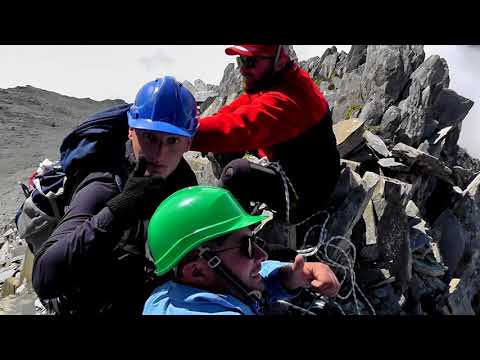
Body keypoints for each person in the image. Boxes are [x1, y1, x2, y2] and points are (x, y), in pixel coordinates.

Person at [32, 76, 199, 315]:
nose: (160, 153)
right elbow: (44, 277)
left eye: (172, 140)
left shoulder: (182, 178)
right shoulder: (103, 184)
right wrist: (120, 209)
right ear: (131, 131)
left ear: (188, 143)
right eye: (149, 137)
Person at [191, 45, 341, 254]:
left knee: (237, 173)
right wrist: (196, 124)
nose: (243, 69)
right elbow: (241, 107)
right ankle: (238, 212)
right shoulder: (277, 78)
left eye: (250, 61)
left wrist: (180, 134)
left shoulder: (291, 99)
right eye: (240, 61)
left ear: (279, 59)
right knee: (224, 149)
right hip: (297, 169)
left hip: (304, 194)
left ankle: (230, 250)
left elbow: (240, 128)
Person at [143, 185, 340, 315]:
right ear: (197, 270)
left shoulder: (165, 296)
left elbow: (239, 276)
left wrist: (285, 277)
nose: (262, 255)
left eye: (256, 241)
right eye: (246, 246)